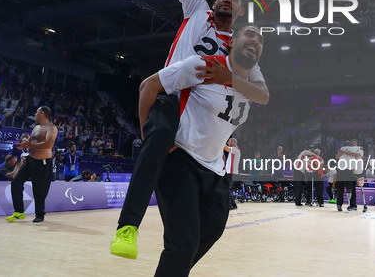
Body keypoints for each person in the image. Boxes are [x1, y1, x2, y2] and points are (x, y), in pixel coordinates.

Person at [112, 0, 269, 256]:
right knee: (161, 135)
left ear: (243, 12)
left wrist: (229, 79)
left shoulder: (243, 49)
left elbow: (261, 95)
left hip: (204, 128)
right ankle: (127, 228)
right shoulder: (197, 10)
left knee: (200, 236)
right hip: (169, 98)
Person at [111, 25, 264, 275]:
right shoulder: (203, 65)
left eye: (260, 40)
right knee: (183, 244)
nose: (255, 41)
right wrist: (147, 132)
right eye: (250, 35)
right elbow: (148, 86)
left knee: (211, 231)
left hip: (215, 168)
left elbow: (262, 98)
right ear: (232, 40)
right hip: (181, 159)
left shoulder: (252, 85)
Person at [5, 106, 57, 223]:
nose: (35, 114)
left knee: (39, 190)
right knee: (16, 182)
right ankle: (19, 212)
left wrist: (30, 145)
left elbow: (48, 144)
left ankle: (40, 214)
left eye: (37, 112)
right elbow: (32, 143)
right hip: (30, 161)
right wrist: (25, 144)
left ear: (42, 113)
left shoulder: (51, 128)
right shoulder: (36, 127)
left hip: (42, 163)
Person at [335, 140, 363, 212]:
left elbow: (357, 155)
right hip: (348, 171)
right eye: (352, 143)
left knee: (349, 189)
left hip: (356, 172)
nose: (353, 144)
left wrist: (343, 152)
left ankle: (351, 205)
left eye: (355, 143)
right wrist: (342, 152)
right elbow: (337, 156)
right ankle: (344, 204)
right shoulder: (346, 149)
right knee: (347, 188)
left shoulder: (359, 150)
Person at [223, 137, 241, 210]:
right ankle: (233, 205)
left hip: (232, 173)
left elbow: (225, 148)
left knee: (227, 189)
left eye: (229, 141)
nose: (227, 142)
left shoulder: (236, 149)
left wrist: (220, 142)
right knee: (227, 189)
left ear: (233, 142)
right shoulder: (233, 150)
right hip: (229, 173)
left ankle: (231, 205)